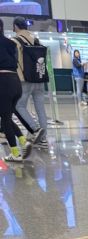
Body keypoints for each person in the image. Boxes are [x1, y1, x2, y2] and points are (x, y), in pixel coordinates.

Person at [12, 16, 48, 149]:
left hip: (25, 80)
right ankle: (43, 140)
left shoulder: (15, 41)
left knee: (19, 106)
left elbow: (14, 62)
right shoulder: (36, 39)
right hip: (39, 78)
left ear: (15, 26)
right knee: (40, 109)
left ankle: (35, 129)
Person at [0, 18, 32, 162]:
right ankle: (23, 142)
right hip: (15, 82)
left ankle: (15, 153)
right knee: (5, 115)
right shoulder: (11, 43)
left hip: (3, 82)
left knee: (5, 119)